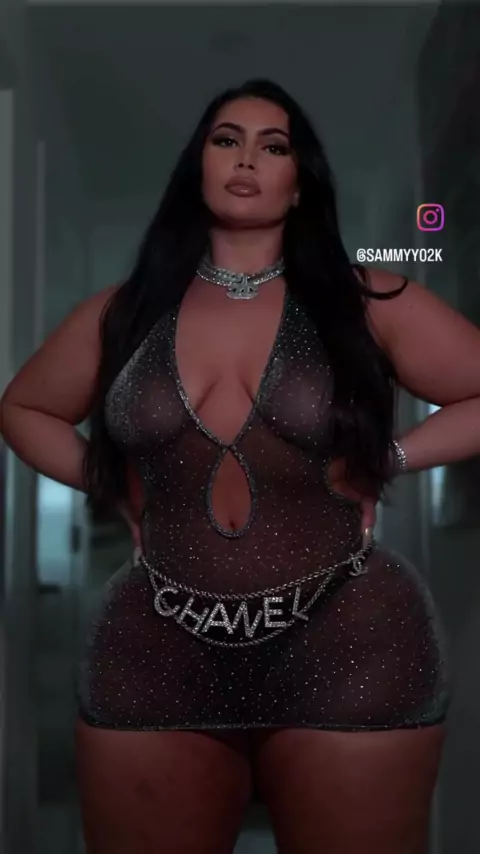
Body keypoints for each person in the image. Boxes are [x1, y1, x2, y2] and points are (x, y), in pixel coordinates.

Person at [1, 77, 479, 854]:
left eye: (273, 145)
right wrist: (108, 483)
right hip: (156, 647)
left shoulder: (364, 300)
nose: (247, 159)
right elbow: (23, 409)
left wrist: (390, 456)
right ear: (198, 166)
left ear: (300, 183)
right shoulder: (126, 312)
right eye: (227, 140)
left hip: (349, 640)